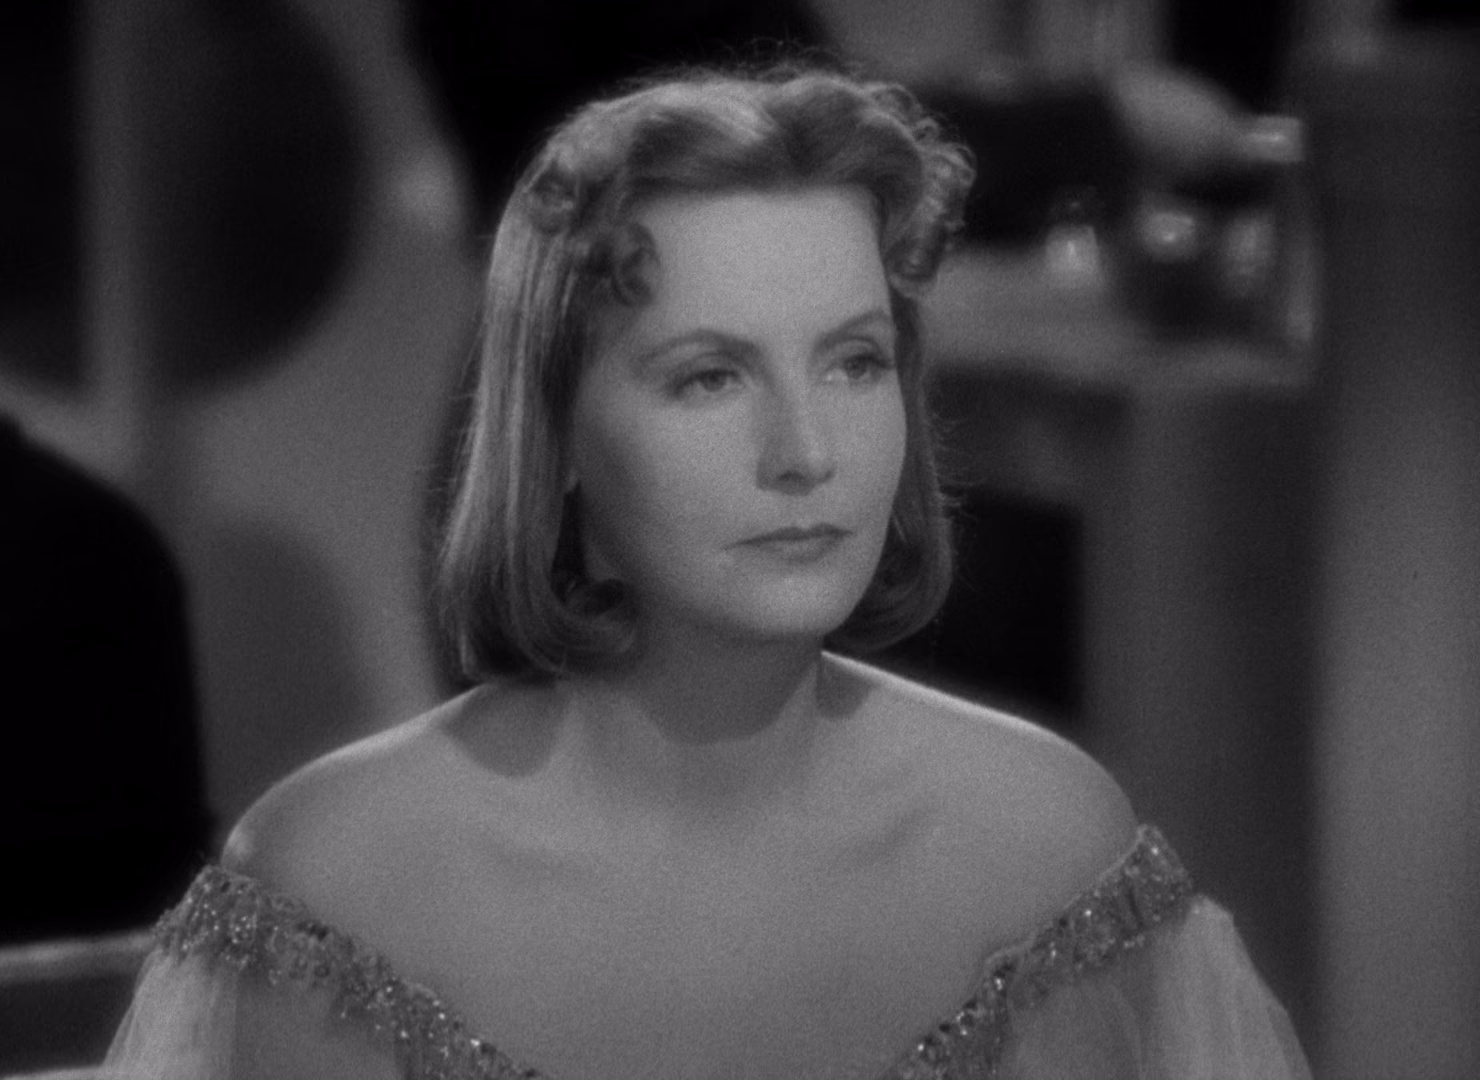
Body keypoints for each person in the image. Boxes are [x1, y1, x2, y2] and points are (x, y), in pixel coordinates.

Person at [96, 65, 1310, 1080]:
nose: (805, 452)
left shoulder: (1049, 852)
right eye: (709, 378)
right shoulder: (335, 888)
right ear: (556, 437)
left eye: (852, 363)